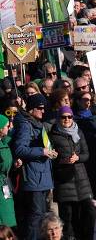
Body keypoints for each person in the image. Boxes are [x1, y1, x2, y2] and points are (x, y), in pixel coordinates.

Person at [12, 93, 56, 240]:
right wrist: (41, 151)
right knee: (35, 219)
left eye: (44, 108)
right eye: (40, 108)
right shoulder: (26, 124)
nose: (43, 111)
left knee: (41, 218)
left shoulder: (37, 123)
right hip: (33, 179)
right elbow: (19, 149)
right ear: (31, 109)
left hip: (41, 178)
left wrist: (49, 152)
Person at [48, 106, 93, 240]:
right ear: (58, 118)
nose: (67, 119)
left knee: (86, 214)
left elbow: (86, 154)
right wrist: (62, 160)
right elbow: (51, 159)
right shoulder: (53, 135)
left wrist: (78, 158)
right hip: (64, 181)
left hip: (81, 180)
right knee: (67, 218)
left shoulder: (79, 131)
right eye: (63, 117)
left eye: (69, 116)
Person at [0, 114, 15, 228]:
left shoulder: (4, 143)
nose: (8, 127)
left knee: (7, 224)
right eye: (6, 126)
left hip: (5, 184)